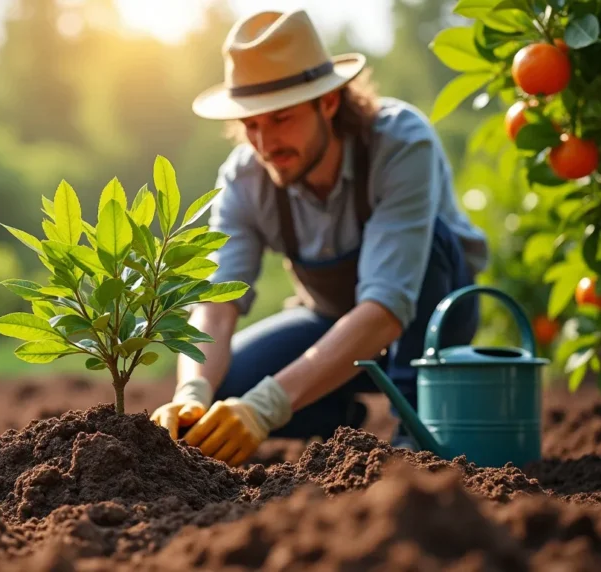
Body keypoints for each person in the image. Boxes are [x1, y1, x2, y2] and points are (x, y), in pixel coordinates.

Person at [149, 9, 489, 467]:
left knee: (432, 246)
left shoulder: (401, 144)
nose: (265, 145)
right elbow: (217, 301)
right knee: (226, 391)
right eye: (252, 125)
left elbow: (387, 309)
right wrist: (192, 391)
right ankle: (334, 416)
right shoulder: (246, 178)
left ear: (328, 102)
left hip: (430, 323)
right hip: (331, 321)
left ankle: (417, 433)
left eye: (282, 119)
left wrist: (266, 407)